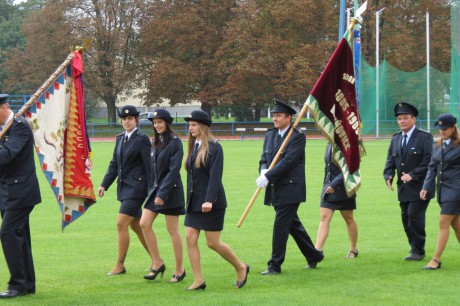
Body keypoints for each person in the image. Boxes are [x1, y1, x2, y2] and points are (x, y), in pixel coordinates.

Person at [257, 99, 324, 275]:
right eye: (274, 115)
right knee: (292, 225)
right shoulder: (270, 135)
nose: (275, 119)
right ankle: (313, 255)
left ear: (289, 118)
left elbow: (288, 162)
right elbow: (264, 158)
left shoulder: (297, 136)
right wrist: (263, 171)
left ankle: (274, 265)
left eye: (279, 115)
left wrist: (268, 175)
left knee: (280, 226)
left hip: (290, 189)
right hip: (275, 187)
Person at [184, 110, 249, 290]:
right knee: (189, 237)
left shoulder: (215, 147)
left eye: (194, 125)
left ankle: (241, 266)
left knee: (212, 242)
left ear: (203, 127)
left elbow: (215, 177)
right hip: (193, 202)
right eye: (189, 125)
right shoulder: (193, 146)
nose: (191, 128)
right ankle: (198, 280)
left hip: (211, 202)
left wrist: (209, 200)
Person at [98, 105, 152, 275]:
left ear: (136, 120)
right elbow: (115, 164)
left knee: (121, 223)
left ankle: (120, 265)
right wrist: (104, 184)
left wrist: (153, 191)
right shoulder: (120, 138)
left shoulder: (142, 139)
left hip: (137, 189)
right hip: (124, 188)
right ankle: (156, 260)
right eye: (124, 119)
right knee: (136, 226)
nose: (126, 121)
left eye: (130, 118)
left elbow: (150, 167)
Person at [0, 94, 41, 298]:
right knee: (20, 238)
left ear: (4, 107)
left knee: (8, 234)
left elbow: (7, 155)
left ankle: (17, 284)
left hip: (21, 191)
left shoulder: (19, 126)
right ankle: (27, 284)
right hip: (6, 192)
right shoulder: (3, 129)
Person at [383, 102, 434, 261]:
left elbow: (430, 161)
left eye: (405, 118)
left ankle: (418, 250)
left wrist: (413, 174)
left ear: (413, 119)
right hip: (403, 188)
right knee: (406, 219)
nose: (402, 121)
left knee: (414, 217)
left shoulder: (424, 137)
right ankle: (414, 247)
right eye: (399, 119)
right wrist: (388, 174)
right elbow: (390, 160)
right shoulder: (396, 138)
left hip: (421, 187)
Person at [140, 109, 186, 282]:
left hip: (171, 191)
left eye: (160, 122)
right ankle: (157, 262)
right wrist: (153, 191)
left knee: (172, 230)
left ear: (167, 122)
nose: (157, 125)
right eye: (154, 122)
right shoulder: (155, 142)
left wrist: (163, 194)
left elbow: (174, 171)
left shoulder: (175, 143)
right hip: (156, 191)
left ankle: (179, 270)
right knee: (144, 223)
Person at [420, 113, 460, 270]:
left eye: (445, 129)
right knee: (456, 225)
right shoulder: (437, 144)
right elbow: (432, 167)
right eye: (440, 129)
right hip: (443, 191)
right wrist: (425, 187)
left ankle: (436, 260)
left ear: (452, 128)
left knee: (443, 223)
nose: (442, 131)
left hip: (456, 191)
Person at [315, 143, 359, 258]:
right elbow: (328, 168)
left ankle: (353, 250)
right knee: (324, 217)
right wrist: (326, 185)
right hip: (328, 187)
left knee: (348, 218)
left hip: (344, 187)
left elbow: (350, 167)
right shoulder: (329, 143)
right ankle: (317, 251)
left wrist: (334, 184)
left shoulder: (347, 142)